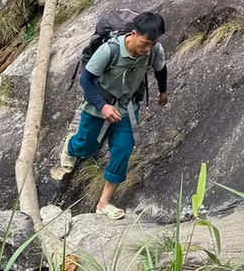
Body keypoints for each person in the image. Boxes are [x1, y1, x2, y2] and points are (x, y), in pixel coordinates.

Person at [50, 12, 169, 218]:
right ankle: (71, 146)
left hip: (127, 109)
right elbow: (86, 81)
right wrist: (103, 106)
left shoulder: (154, 50)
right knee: (88, 147)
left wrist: (163, 91)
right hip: (98, 107)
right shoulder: (109, 51)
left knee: (122, 151)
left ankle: (103, 203)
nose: (148, 49)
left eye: (153, 43)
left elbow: (161, 69)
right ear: (133, 34)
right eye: (145, 43)